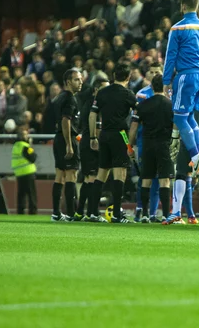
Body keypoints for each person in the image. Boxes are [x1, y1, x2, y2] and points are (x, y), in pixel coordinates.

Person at [162, 0, 199, 176]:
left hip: (187, 75)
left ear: (183, 7)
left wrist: (166, 81)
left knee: (178, 118)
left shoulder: (177, 28)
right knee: (190, 116)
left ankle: (195, 155)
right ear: (197, 7)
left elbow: (170, 56)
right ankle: (198, 154)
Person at [167, 62, 199, 225]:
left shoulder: (188, 83)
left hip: (190, 139)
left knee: (183, 174)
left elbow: (180, 114)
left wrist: (175, 136)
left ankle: (176, 212)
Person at [89, 64, 137, 223]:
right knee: (120, 174)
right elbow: (138, 114)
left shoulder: (102, 93)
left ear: (114, 76)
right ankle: (117, 213)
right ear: (128, 77)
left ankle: (93, 212)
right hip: (121, 134)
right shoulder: (129, 94)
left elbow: (92, 115)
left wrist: (92, 137)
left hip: (104, 134)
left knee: (101, 173)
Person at [129, 74, 173, 224]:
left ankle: (146, 214)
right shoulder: (170, 105)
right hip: (163, 145)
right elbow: (175, 126)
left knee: (146, 179)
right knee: (164, 180)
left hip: (147, 145)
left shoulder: (142, 105)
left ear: (152, 87)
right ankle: (167, 215)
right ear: (165, 86)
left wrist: (130, 145)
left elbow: (134, 127)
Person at [134, 63, 165, 223]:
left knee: (158, 178)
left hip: (161, 140)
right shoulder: (141, 94)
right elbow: (135, 120)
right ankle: (140, 208)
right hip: (143, 139)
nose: (153, 74)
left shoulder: (169, 94)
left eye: (157, 72)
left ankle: (152, 212)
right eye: (151, 72)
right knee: (144, 177)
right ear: (147, 75)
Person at [51, 69, 83, 222]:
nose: (80, 82)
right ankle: (71, 214)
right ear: (69, 82)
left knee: (59, 175)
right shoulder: (70, 98)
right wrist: (69, 145)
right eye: (77, 79)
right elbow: (66, 120)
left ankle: (56, 213)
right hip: (67, 138)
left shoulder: (59, 97)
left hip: (58, 138)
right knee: (71, 175)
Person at [77, 77, 109, 222]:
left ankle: (80, 212)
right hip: (91, 143)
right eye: (104, 89)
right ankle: (92, 212)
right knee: (93, 178)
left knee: (88, 179)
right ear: (96, 90)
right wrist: (94, 139)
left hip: (89, 142)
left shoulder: (91, 103)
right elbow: (95, 126)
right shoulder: (93, 105)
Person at [11, 129, 38, 215]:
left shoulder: (15, 146)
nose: (28, 136)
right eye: (26, 135)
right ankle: (32, 212)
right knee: (31, 195)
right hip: (28, 173)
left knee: (21, 195)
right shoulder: (25, 146)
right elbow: (33, 158)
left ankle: (20, 212)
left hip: (19, 173)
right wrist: (30, 145)